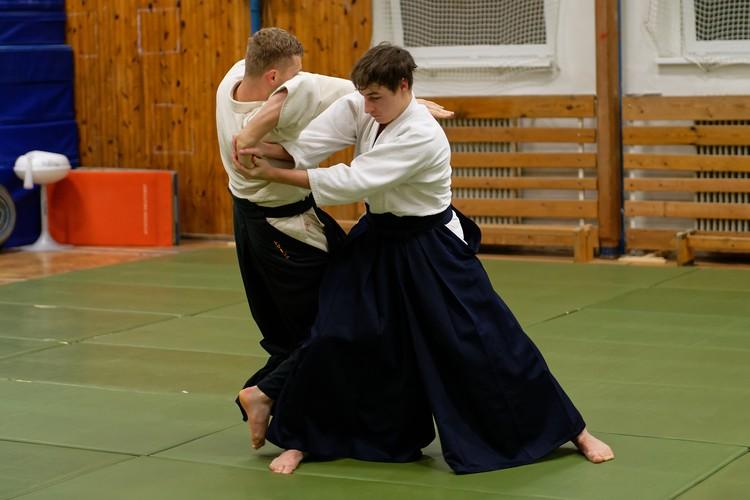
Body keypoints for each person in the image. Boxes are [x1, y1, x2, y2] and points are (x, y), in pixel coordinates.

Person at [234, 42, 615, 475]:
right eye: (363, 96)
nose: (368, 107)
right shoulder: (363, 106)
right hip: (377, 238)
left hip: (429, 245)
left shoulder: (421, 133)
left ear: (403, 86)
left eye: (376, 97)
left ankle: (572, 430)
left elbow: (354, 180)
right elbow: (309, 145)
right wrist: (262, 150)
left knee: (484, 339)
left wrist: (272, 173)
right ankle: (304, 438)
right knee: (334, 332)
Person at [217, 28, 454, 453]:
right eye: (293, 75)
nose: (302, 78)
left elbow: (329, 92)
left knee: (292, 333)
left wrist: (407, 101)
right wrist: (263, 151)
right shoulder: (269, 109)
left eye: (375, 97)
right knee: (334, 323)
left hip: (251, 222)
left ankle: (283, 410)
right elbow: (349, 174)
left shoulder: (233, 80)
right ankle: (277, 407)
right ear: (274, 78)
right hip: (286, 229)